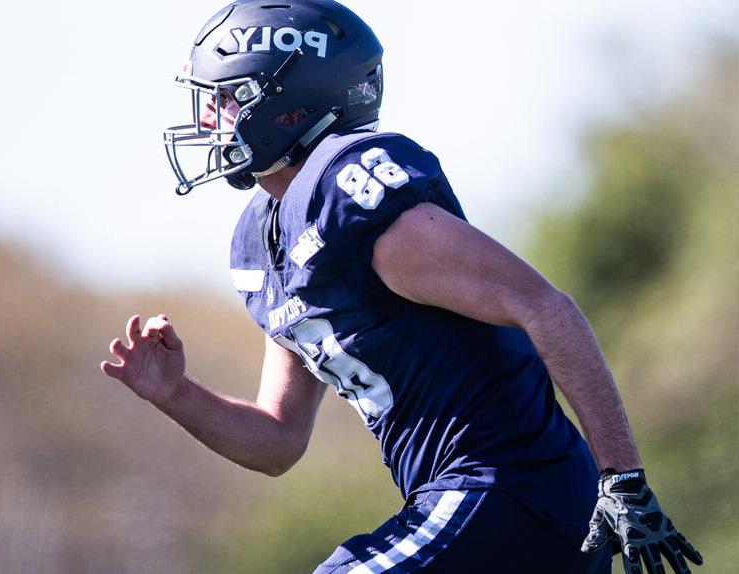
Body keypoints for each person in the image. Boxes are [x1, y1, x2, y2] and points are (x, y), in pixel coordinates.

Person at [101, 1, 703, 572]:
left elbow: (545, 306)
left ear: (289, 107)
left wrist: (622, 478)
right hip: (473, 505)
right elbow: (278, 440)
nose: (213, 118)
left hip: (508, 488)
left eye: (231, 98)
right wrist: (176, 394)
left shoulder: (350, 192)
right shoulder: (262, 239)